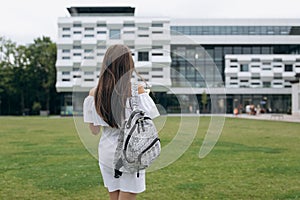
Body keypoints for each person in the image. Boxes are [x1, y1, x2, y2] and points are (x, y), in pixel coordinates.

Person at [83, 44, 160, 200]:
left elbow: (94, 130)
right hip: (131, 152)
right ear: (128, 64)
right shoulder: (136, 90)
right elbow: (148, 120)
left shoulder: (94, 93)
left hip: (106, 153)